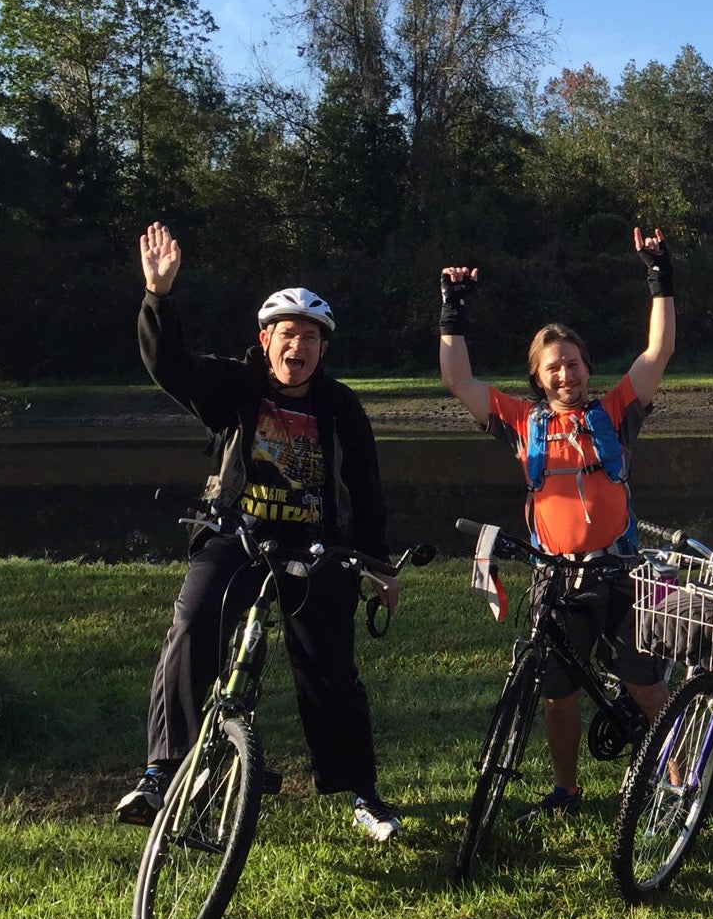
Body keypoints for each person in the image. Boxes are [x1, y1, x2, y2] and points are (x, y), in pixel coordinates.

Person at [115, 223, 403, 841]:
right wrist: (158, 297)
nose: (296, 347)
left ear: (323, 350)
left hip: (318, 549)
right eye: (287, 335)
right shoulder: (235, 386)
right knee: (193, 625)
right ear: (265, 340)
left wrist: (378, 564)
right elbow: (172, 367)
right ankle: (163, 770)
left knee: (330, 669)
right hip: (235, 534)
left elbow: (368, 493)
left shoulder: (342, 408)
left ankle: (360, 792)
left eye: (310, 338)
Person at [436, 228, 677, 819]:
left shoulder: (617, 410)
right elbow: (457, 381)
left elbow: (658, 352)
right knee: (557, 694)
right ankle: (567, 791)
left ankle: (678, 781)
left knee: (647, 687)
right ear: (538, 378)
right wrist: (452, 311)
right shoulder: (523, 422)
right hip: (558, 578)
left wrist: (659, 277)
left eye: (572, 363)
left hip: (621, 571)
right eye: (553, 368)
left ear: (587, 367)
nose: (564, 374)